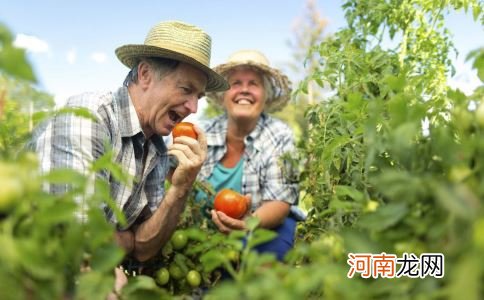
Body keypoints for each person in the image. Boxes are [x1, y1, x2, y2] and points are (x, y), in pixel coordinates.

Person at [28, 21, 228, 265]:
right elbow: (76, 244)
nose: (193, 108)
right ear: (145, 74)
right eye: (186, 89)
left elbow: (144, 249)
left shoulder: (156, 148)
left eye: (198, 97)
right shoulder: (89, 117)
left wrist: (180, 188)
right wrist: (125, 240)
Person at [196, 50, 305, 261]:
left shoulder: (279, 135)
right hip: (206, 232)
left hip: (265, 228)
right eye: (236, 83)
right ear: (223, 94)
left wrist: (248, 223)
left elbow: (280, 202)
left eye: (254, 83)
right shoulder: (202, 134)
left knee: (261, 274)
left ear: (265, 94)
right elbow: (171, 176)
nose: (244, 90)